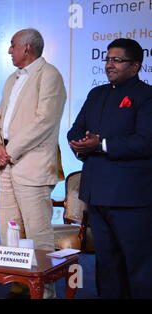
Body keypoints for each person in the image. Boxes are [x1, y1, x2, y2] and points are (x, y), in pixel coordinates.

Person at [67, 38, 152, 299]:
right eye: (107, 59)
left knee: (137, 265)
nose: (110, 65)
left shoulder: (146, 96)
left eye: (117, 60)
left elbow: (146, 141)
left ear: (135, 65)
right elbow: (75, 129)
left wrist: (101, 144)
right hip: (97, 194)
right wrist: (79, 143)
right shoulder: (97, 94)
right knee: (106, 264)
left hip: (130, 198)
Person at [0, 29, 66, 298]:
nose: (9, 50)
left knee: (37, 232)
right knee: (10, 229)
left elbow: (44, 121)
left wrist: (10, 150)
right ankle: (20, 285)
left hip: (32, 163)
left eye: (12, 45)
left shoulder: (50, 75)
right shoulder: (12, 78)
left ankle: (44, 292)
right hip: (7, 164)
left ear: (27, 48)